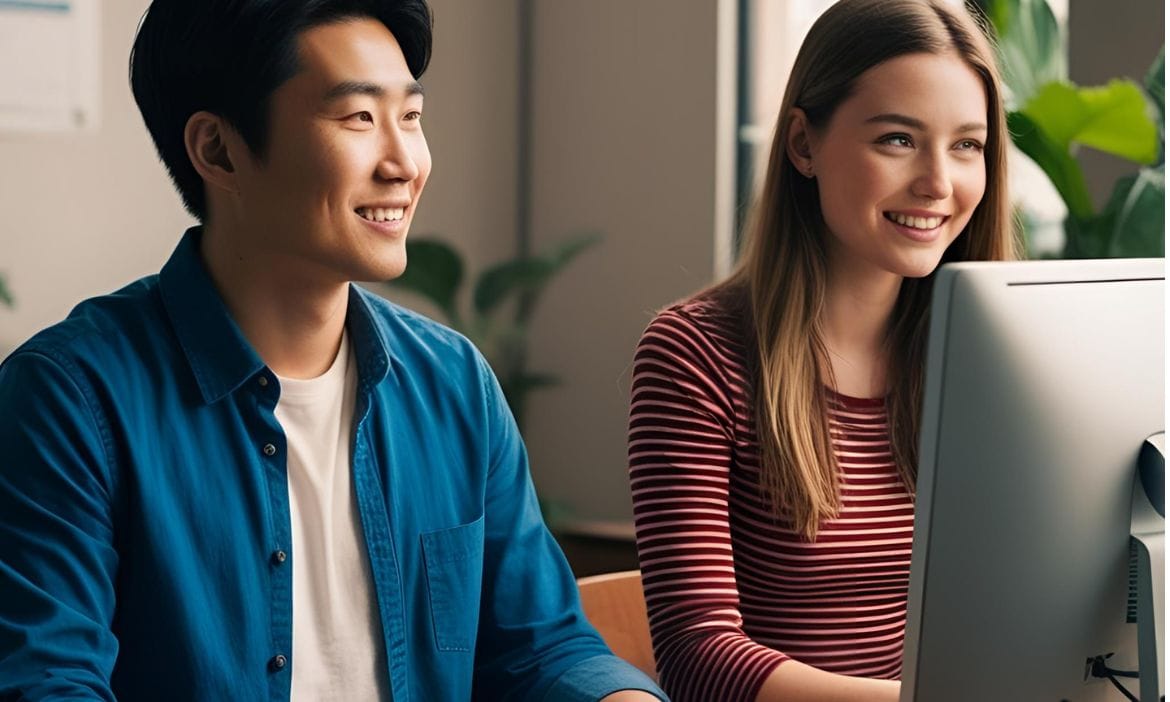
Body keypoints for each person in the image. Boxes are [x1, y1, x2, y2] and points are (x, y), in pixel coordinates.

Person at [0, 1, 665, 700]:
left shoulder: (455, 384)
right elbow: (46, 681)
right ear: (218, 150)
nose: (405, 162)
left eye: (410, 117)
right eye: (358, 118)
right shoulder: (69, 401)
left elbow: (542, 649)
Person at [626, 1, 1019, 700]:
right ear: (804, 144)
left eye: (967, 145)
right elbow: (698, 659)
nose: (939, 182)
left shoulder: (994, 356)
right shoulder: (693, 353)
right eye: (899, 139)